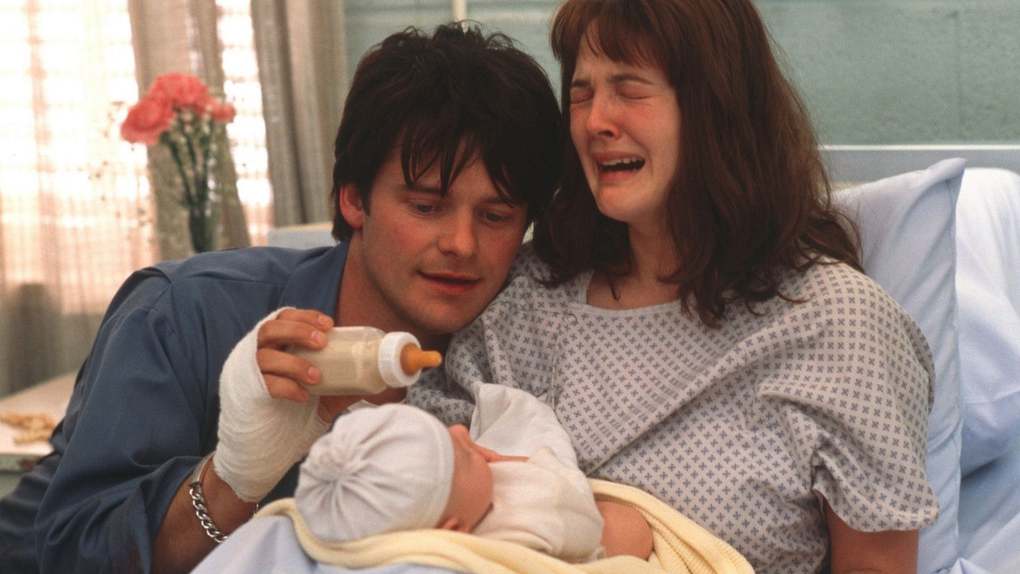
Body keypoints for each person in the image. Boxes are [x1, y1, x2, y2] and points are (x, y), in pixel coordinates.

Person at [0, 23, 561, 574]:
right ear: (353, 200)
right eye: (425, 207)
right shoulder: (182, 313)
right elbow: (73, 552)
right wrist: (236, 478)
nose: (462, 244)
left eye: (495, 216)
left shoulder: (516, 353)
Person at [413, 1, 940, 573]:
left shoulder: (839, 326)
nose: (595, 122)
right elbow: (419, 508)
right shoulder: (524, 301)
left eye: (629, 89)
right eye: (582, 93)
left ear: (716, 107)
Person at [293, 384, 614, 562]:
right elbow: (587, 523)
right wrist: (536, 466)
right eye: (462, 456)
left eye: (445, 432)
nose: (461, 431)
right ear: (454, 531)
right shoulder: (527, 521)